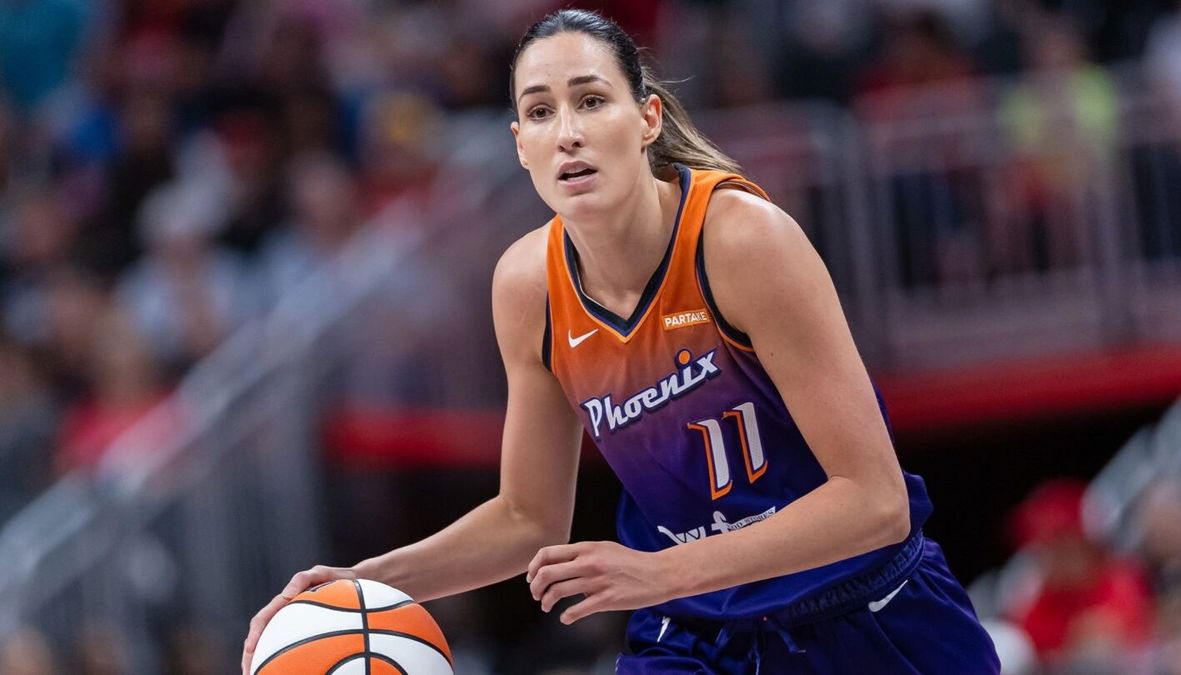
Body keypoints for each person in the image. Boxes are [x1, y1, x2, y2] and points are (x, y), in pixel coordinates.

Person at [243, 9, 1000, 673]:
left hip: (867, 610)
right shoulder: (527, 286)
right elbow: (526, 519)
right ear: (519, 144)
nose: (566, 131)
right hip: (699, 632)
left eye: (591, 100)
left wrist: (658, 571)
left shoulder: (741, 240)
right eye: (540, 113)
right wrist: (363, 584)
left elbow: (874, 502)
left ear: (647, 119)